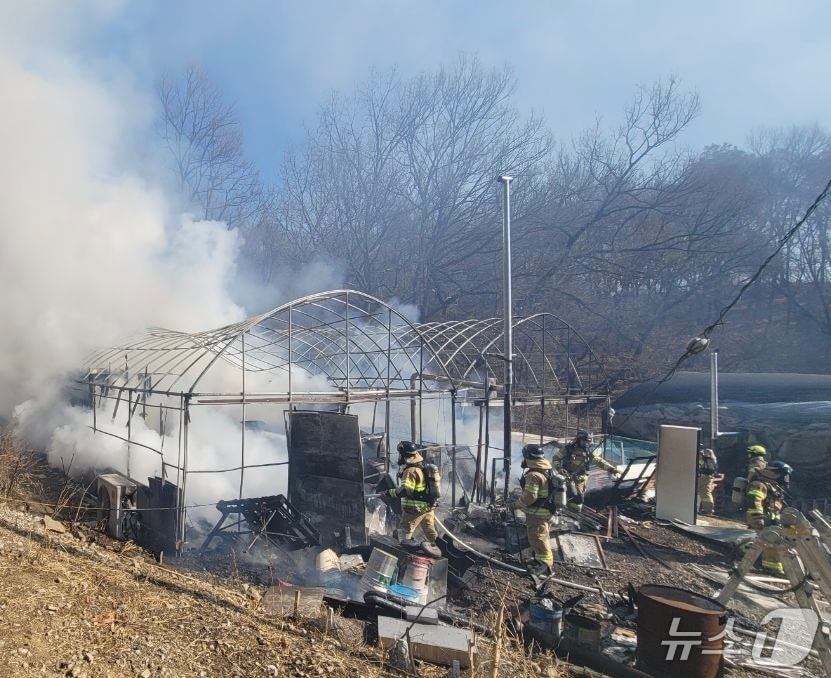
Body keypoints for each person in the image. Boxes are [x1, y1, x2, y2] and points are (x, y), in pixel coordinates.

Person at [386, 441, 441, 557]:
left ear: (404, 455)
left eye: (400, 454)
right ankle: (439, 552)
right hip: (428, 507)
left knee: (404, 531)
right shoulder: (422, 467)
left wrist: (389, 493)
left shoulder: (410, 471)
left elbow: (405, 491)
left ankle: (404, 557)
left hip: (414, 509)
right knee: (430, 532)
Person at [509, 443, 555, 575]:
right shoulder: (546, 470)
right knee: (539, 537)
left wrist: (516, 505)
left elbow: (530, 496)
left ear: (528, 457)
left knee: (538, 538)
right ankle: (538, 560)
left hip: (538, 513)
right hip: (545, 511)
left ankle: (544, 565)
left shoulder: (533, 475)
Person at [745, 459, 793, 575]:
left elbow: (775, 509)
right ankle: (772, 568)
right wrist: (758, 518)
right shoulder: (760, 484)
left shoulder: (774, 488)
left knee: (781, 539)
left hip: (770, 520)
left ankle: (750, 552)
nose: (785, 479)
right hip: (760, 518)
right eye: (784, 475)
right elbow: (754, 501)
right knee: (773, 540)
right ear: (775, 473)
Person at [553, 430, 619, 512]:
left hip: (581, 479)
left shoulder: (588, 451)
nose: (586, 444)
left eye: (588, 442)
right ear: (578, 440)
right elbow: (556, 458)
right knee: (569, 494)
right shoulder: (568, 449)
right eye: (584, 441)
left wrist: (612, 469)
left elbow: (598, 461)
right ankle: (563, 511)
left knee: (579, 499)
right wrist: (559, 468)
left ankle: (573, 513)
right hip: (568, 477)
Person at [697, 448, 719, 515]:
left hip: (705, 478)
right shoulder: (711, 460)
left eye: (705, 452)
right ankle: (706, 509)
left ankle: (708, 510)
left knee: (705, 493)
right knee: (702, 493)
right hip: (705, 478)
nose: (704, 454)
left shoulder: (709, 460)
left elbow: (708, 469)